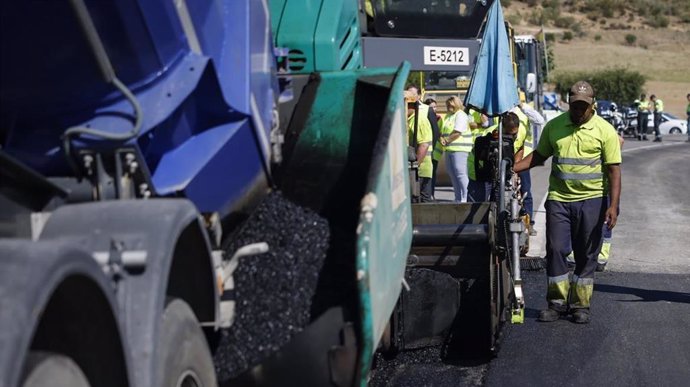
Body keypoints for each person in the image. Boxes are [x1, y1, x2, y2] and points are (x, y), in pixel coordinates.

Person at [514, 81, 621, 324]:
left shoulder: (605, 131)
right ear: (569, 103)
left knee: (586, 253)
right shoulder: (555, 127)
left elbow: (614, 170)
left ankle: (580, 305)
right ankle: (556, 303)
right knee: (556, 249)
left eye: (584, 106)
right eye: (575, 105)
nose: (579, 110)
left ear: (592, 104)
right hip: (559, 200)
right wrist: (512, 167)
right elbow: (539, 156)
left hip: (592, 201)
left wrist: (613, 206)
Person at [467, 112, 524, 202]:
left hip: (501, 172)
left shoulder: (521, 133)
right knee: (478, 207)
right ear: (501, 128)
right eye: (508, 134)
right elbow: (481, 159)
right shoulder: (488, 135)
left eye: (514, 134)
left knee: (503, 204)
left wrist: (514, 169)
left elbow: (520, 148)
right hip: (480, 172)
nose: (511, 137)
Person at [513, 95, 545, 236]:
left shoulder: (524, 110)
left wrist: (523, 106)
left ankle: (529, 223)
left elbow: (539, 120)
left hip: (523, 159)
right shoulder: (503, 110)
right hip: (506, 157)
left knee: (526, 191)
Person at [407, 85, 442, 198]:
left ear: (419, 96)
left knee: (422, 197)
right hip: (418, 159)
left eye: (413, 95)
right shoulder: (406, 113)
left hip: (423, 160)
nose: (410, 98)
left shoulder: (426, 110)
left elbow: (434, 133)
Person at [439, 96, 472, 202]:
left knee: (460, 173)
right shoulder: (449, 116)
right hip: (450, 149)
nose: (448, 107)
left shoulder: (461, 115)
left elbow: (457, 132)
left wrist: (446, 140)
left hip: (460, 149)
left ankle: (465, 197)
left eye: (451, 105)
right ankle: (458, 197)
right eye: (447, 105)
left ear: (456, 105)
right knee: (452, 173)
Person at [406, 91, 434, 203]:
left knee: (421, 202)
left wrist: (414, 167)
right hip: (419, 169)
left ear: (410, 106)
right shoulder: (411, 120)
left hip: (421, 170)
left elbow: (424, 144)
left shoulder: (419, 121)